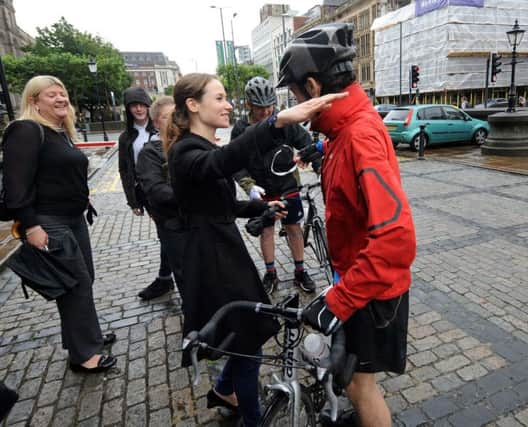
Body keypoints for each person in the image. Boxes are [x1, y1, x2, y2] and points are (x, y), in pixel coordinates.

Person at [166, 73, 346, 427]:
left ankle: (222, 388)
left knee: (243, 335)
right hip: (211, 260)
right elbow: (222, 164)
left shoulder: (201, 148)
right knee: (248, 342)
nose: (228, 104)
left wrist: (262, 209)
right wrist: (276, 122)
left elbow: (221, 205)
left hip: (222, 251)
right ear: (193, 105)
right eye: (218, 98)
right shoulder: (188, 150)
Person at [278, 23, 416, 427]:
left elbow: (396, 241)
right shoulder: (343, 130)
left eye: (296, 94)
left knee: (360, 385)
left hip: (371, 290)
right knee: (356, 378)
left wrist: (338, 300)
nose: (296, 103)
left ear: (314, 87)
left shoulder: (358, 136)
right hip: (357, 280)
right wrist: (318, 150)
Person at [2, 75, 117, 373]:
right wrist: (31, 226)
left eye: (62, 93)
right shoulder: (26, 130)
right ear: (33, 101)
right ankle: (83, 356)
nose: (61, 98)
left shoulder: (58, 132)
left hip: (73, 218)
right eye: (51, 94)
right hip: (48, 222)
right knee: (76, 284)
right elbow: (16, 187)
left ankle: (86, 338)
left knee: (83, 280)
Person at [231, 76, 319, 294]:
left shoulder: (284, 121)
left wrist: (320, 167)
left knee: (293, 228)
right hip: (261, 189)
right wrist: (248, 185)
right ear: (249, 104)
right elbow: (233, 162)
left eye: (270, 106)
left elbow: (307, 144)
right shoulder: (241, 129)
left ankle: (300, 271)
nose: (266, 112)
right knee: (267, 231)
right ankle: (271, 273)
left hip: (287, 185)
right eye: (260, 108)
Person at [119, 87, 174, 300]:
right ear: (128, 109)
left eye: (142, 104)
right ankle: (165, 277)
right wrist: (132, 201)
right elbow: (125, 170)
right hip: (148, 192)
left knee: (168, 233)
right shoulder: (126, 137)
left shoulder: (160, 126)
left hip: (169, 186)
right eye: (134, 105)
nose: (139, 109)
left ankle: (165, 277)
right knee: (165, 233)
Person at [136, 96, 186, 302]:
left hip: (196, 222)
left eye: (177, 115)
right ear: (156, 122)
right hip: (173, 223)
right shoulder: (150, 152)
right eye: (168, 117)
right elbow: (157, 190)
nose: (174, 120)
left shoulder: (189, 144)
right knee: (184, 273)